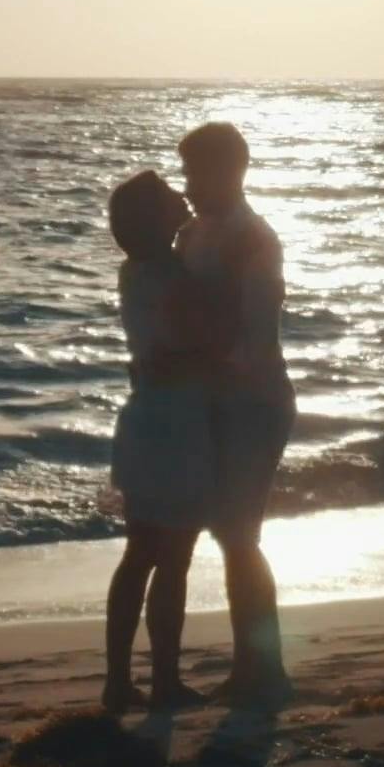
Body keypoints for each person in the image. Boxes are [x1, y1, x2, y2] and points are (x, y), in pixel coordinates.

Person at [174, 120, 296, 704]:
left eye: (196, 174)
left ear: (231, 171)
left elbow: (257, 336)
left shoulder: (255, 239)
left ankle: (263, 666)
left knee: (240, 534)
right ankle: (252, 663)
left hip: (255, 401)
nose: (189, 186)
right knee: (230, 533)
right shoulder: (192, 235)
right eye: (186, 173)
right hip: (211, 400)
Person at [100, 169, 223, 714]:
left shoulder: (135, 272)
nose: (183, 195)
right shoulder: (173, 276)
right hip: (177, 427)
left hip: (145, 421)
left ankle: (120, 680)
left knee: (140, 555)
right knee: (172, 559)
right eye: (172, 195)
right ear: (157, 218)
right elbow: (197, 347)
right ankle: (165, 681)